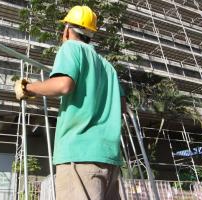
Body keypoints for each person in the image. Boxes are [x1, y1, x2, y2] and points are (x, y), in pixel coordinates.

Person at [14, 5, 126, 200]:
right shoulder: (109, 67)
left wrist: (28, 88)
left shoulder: (71, 48)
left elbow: (64, 85)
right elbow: (122, 106)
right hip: (109, 158)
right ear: (90, 34)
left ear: (67, 29)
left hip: (79, 153)